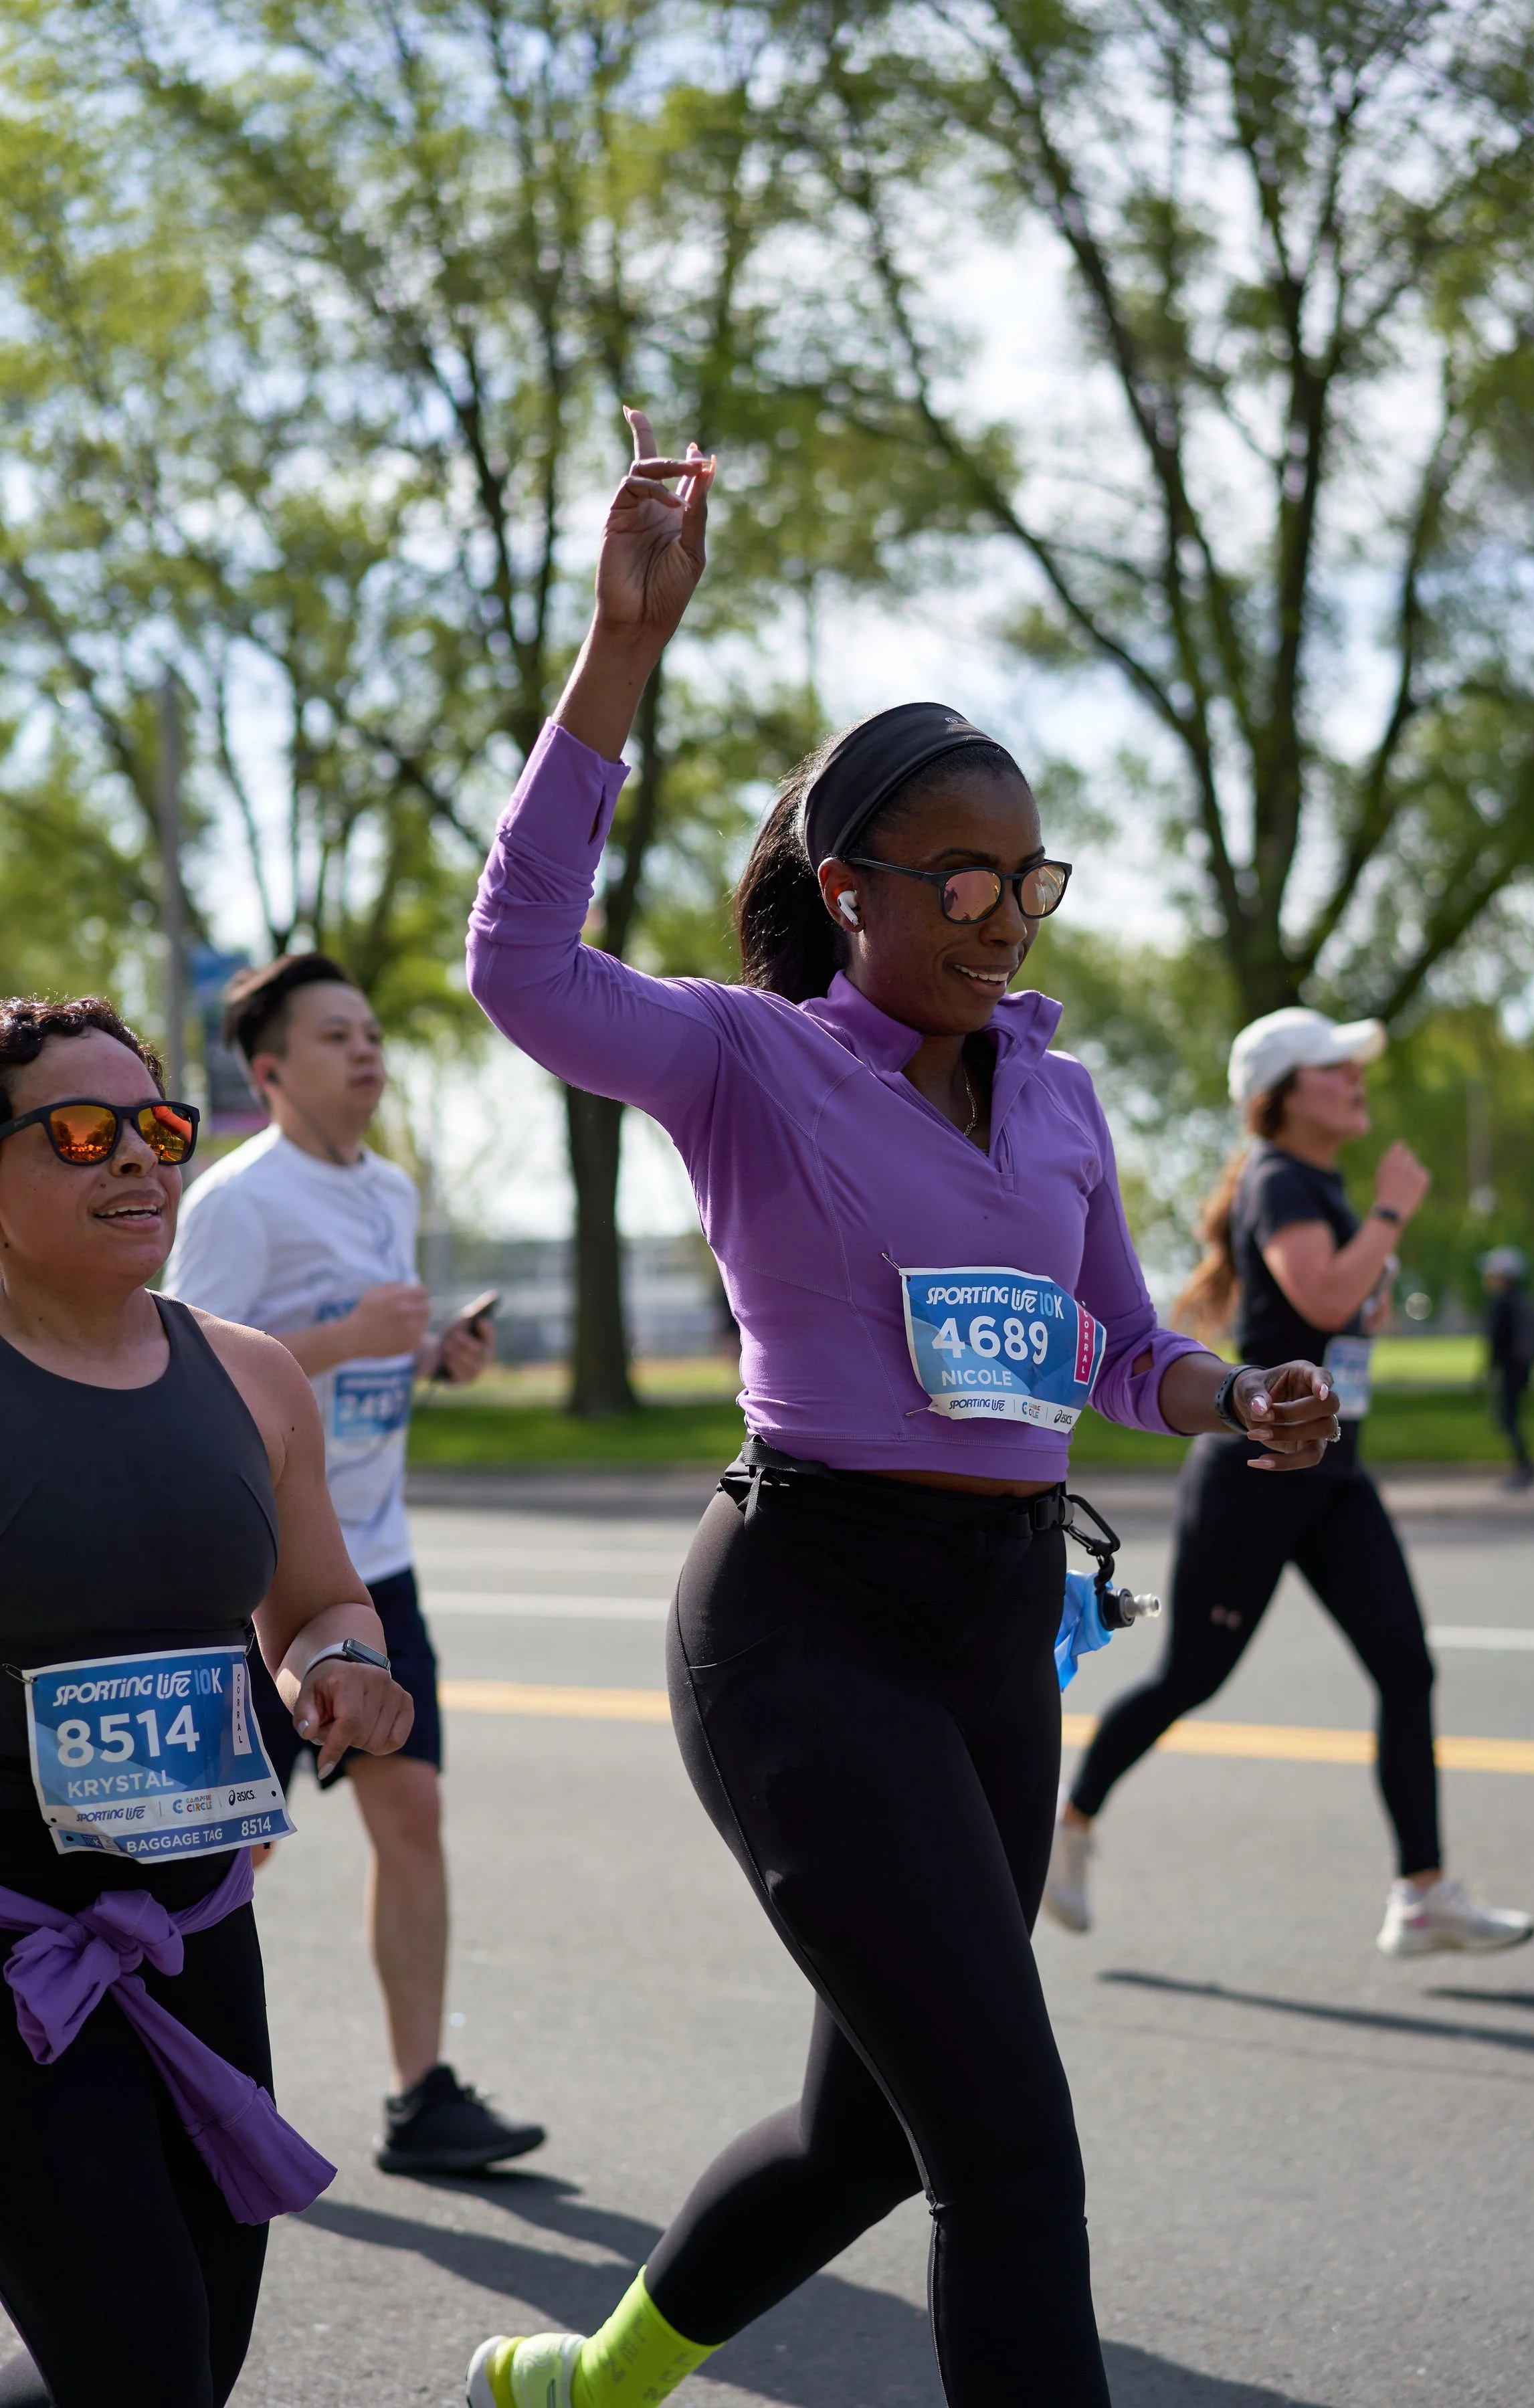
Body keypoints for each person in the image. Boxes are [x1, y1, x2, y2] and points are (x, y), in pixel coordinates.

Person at [456, 410, 1344, 2408]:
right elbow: (515, 967)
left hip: (992, 1626)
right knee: (1008, 2159)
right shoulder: (747, 1065)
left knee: (871, 2136)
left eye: (1028, 877)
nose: (1004, 912)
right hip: (804, 1620)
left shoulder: (1057, 1088)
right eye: (961, 877)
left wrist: (1234, 1395)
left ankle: (573, 2390)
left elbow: (1114, 1352)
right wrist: (617, 660)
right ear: (844, 885)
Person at [0, 993, 413, 2408]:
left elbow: (317, 1603)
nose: (138, 1160)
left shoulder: (250, 1376)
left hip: (195, 1933)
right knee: (139, 2359)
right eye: (79, 1132)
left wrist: (342, 1665)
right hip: (17, 1954)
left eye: (159, 1128)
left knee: (199, 2348)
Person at [1046, 1007, 1534, 1963]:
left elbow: (1348, 1314)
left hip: (1333, 1470)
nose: (1355, 1081)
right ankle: (1068, 1822)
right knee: (1191, 1676)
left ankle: (1422, 1893)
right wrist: (1393, 1210)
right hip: (1259, 1470)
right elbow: (1317, 1295)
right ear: (1280, 1096)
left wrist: (1374, 1274)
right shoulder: (1280, 1179)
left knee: (1406, 1668)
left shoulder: (1317, 1181)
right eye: (1334, 1069)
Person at [165, 952, 545, 2178]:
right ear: (269, 1071)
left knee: (412, 1809)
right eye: (336, 1036)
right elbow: (184, 1373)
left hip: (372, 1560)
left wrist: (432, 1354)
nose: (368, 1051)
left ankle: (420, 2096)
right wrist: (343, 1336)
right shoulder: (237, 1202)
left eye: (374, 1031)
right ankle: (157, 2077)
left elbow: (362, 1365)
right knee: (228, 1854)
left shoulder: (387, 1187)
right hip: (254, 1577)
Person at [1480, 1245, 1534, 1490]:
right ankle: (1524, 1466)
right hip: (1523, 1368)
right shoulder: (1523, 1300)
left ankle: (1524, 1466)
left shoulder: (1502, 1304)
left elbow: (1496, 1342)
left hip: (1511, 1370)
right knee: (1511, 1418)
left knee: (1508, 1419)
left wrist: (1487, 1371)